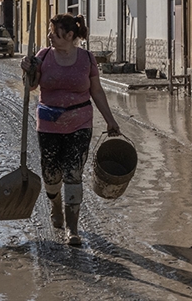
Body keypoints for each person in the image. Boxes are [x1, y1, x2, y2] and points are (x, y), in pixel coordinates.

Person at [20, 13, 120, 246]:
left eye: (54, 33)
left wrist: (110, 120)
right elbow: (32, 85)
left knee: (73, 173)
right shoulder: (42, 56)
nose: (50, 36)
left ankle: (72, 228)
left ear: (70, 35)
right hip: (48, 123)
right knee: (51, 174)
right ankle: (55, 204)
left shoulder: (86, 58)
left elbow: (96, 91)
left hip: (80, 123)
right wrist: (26, 69)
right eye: (50, 31)